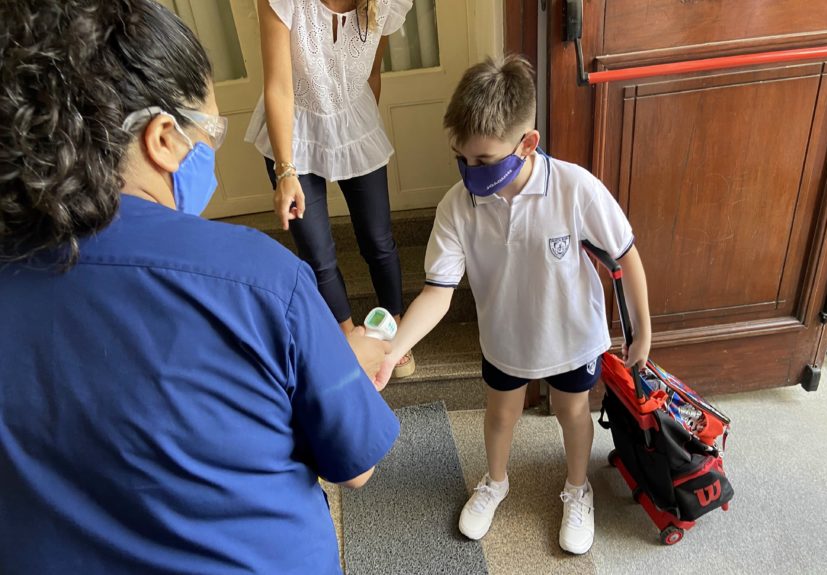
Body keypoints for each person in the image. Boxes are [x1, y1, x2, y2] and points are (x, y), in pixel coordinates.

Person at [0, 2, 398, 573]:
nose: (210, 149)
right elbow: (355, 466)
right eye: (209, 130)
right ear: (163, 138)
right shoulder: (261, 281)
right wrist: (346, 361)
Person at [374, 55, 652, 555]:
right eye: (461, 158)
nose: (470, 172)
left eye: (483, 161)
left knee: (572, 412)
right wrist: (394, 350)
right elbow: (438, 293)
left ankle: (577, 487)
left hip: (571, 336)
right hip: (504, 337)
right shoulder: (457, 206)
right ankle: (495, 482)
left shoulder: (574, 188)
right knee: (501, 414)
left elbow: (626, 255)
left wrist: (643, 333)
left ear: (528, 143)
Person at [245, 0, 416, 377]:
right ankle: (348, 341)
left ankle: (395, 334)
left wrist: (358, 128)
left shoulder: (384, 2)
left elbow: (372, 72)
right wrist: (285, 170)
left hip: (355, 117)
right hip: (294, 129)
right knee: (318, 253)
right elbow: (278, 86)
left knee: (378, 239)